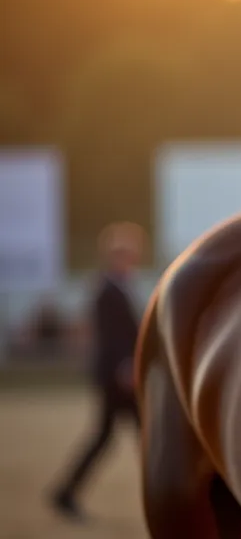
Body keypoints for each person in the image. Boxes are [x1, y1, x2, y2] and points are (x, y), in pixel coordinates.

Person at [49, 221, 145, 522]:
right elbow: (112, 336)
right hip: (117, 376)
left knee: (131, 436)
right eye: (125, 252)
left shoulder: (119, 286)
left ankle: (64, 493)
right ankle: (64, 493)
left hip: (120, 374)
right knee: (140, 436)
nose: (131, 257)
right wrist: (125, 365)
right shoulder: (108, 289)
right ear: (114, 254)